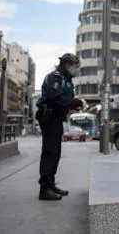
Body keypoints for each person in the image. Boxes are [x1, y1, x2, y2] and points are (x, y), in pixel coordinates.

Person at [35, 53, 85, 201]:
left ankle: (50, 184)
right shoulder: (55, 77)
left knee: (55, 152)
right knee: (50, 152)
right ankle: (44, 189)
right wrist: (72, 102)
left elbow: (63, 99)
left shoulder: (66, 80)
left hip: (56, 119)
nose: (78, 70)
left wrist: (73, 104)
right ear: (68, 65)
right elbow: (53, 97)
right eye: (77, 67)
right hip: (49, 117)